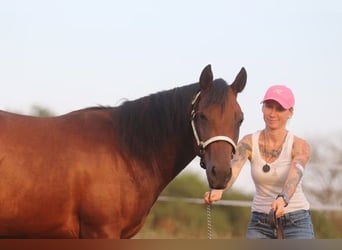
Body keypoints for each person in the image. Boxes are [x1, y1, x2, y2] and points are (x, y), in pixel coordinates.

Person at [204, 85, 314, 239]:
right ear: (262, 108)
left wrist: (284, 199)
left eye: (280, 109)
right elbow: (234, 168)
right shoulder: (248, 142)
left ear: (290, 112)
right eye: (269, 106)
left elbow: (295, 175)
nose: (273, 113)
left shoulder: (300, 146)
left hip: (296, 221)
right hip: (260, 222)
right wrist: (219, 189)